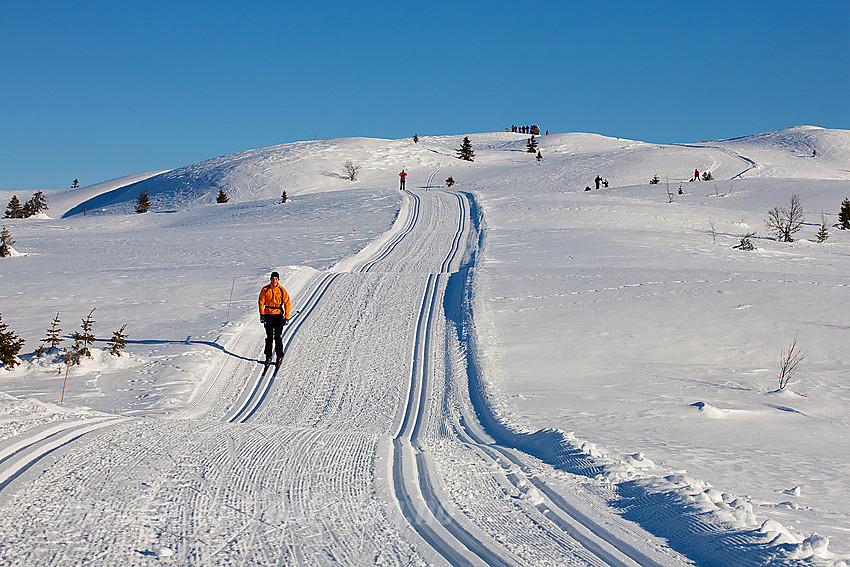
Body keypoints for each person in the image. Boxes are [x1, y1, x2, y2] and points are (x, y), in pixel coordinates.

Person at [259, 271, 291, 365]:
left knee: (277, 337)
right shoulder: (265, 289)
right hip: (268, 315)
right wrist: (262, 314)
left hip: (278, 315)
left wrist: (286, 317)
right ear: (270, 279)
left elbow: (287, 303)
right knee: (269, 337)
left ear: (278, 280)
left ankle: (279, 356)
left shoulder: (282, 290)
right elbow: (261, 302)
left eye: (276, 279)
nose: (274, 281)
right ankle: (268, 356)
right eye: (272, 279)